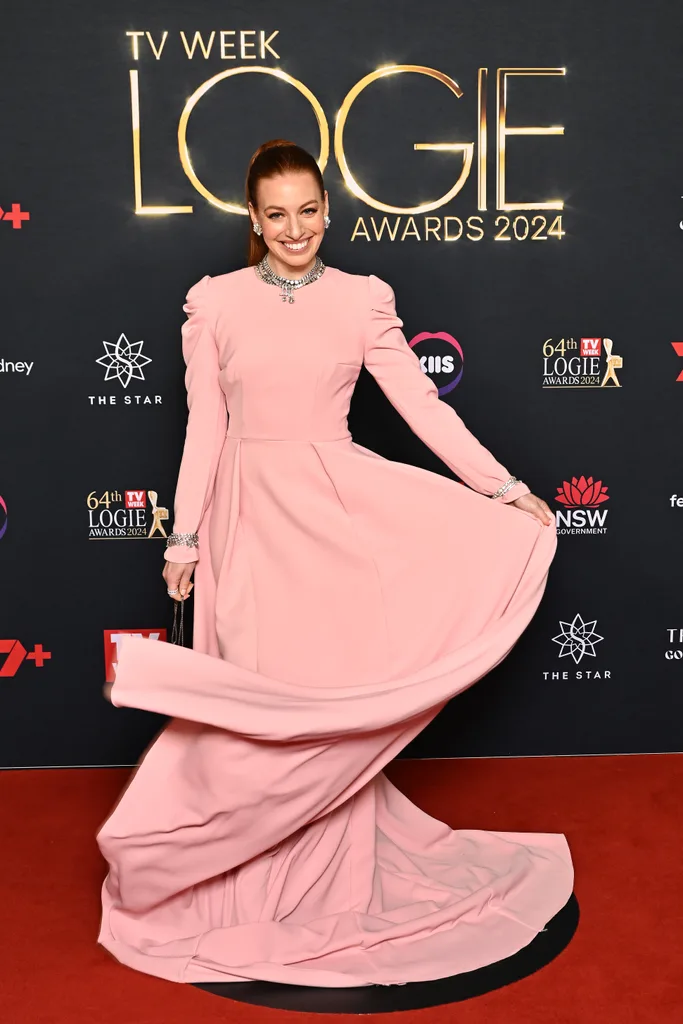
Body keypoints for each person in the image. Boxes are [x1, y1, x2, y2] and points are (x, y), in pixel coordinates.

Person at [97, 140, 573, 988]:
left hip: (330, 518)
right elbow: (204, 428)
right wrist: (185, 539)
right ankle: (236, 872)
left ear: (327, 209)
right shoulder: (215, 304)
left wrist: (503, 489)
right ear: (253, 218)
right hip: (246, 525)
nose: (294, 229)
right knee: (253, 708)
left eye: (307, 210)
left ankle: (329, 866)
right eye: (275, 214)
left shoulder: (362, 300)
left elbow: (421, 408)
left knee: (318, 704)